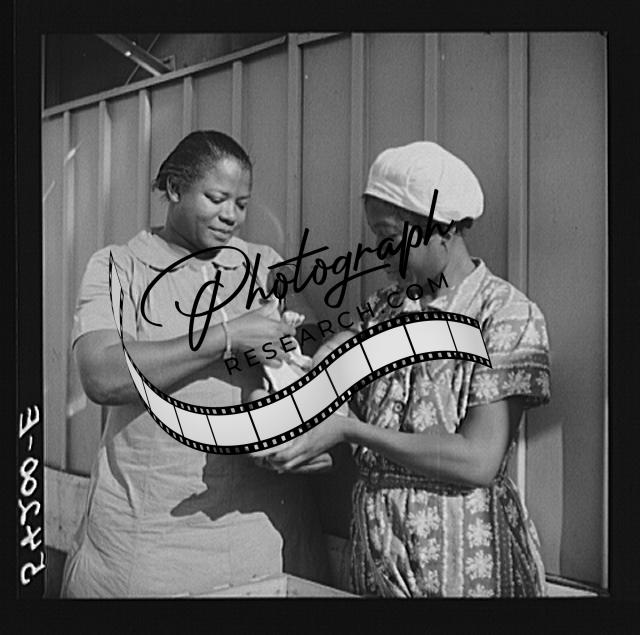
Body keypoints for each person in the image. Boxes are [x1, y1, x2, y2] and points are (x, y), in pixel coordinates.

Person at [267, 141, 551, 598]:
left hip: (464, 565)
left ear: (443, 228)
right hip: (380, 558)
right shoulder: (386, 308)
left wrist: (349, 431)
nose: (379, 251)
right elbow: (329, 374)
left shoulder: (503, 313)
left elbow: (478, 459)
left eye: (390, 236)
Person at [60, 130, 330, 598]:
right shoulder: (119, 267)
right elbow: (102, 375)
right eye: (216, 199)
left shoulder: (266, 267)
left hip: (262, 539)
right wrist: (226, 336)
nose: (231, 216)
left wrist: (309, 430)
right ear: (174, 188)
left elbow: (319, 362)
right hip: (151, 546)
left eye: (241, 204)